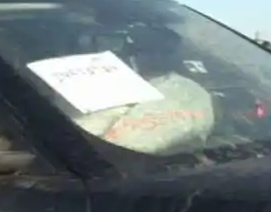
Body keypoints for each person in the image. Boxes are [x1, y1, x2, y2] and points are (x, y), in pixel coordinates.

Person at [71, 21, 216, 153]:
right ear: (133, 52)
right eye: (148, 50)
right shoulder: (96, 84)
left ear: (176, 54)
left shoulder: (189, 93)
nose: (157, 56)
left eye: (166, 51)